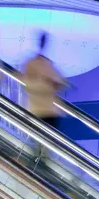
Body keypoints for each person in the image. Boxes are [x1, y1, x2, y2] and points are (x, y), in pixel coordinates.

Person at [23, 32, 65, 160]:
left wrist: (53, 84)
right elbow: (29, 84)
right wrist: (48, 83)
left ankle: (43, 161)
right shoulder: (32, 63)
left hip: (49, 110)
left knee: (47, 142)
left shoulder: (48, 64)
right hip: (38, 109)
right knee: (40, 140)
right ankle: (39, 162)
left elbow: (60, 82)